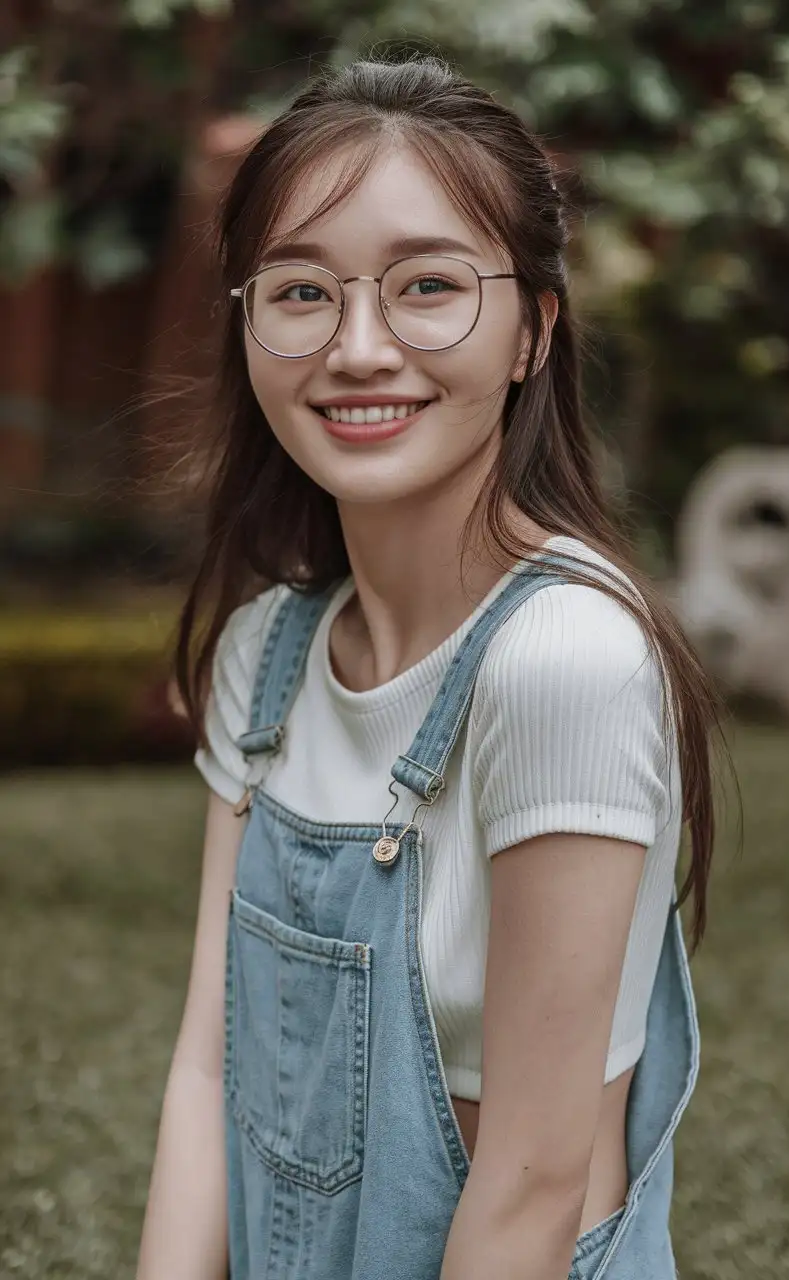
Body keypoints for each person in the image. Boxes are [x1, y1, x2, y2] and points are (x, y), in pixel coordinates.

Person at [136, 56, 722, 1280]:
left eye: (428, 287)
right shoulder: (267, 650)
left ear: (531, 333)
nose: (358, 347)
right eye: (302, 290)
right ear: (247, 323)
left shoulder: (564, 660)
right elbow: (208, 1064)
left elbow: (533, 1178)